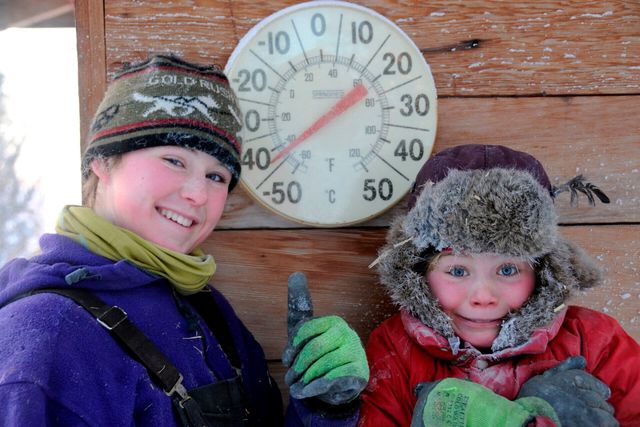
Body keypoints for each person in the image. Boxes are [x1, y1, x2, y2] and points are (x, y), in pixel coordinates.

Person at [0, 55, 368, 426]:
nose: (197, 194)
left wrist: (325, 407)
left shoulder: (209, 311)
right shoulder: (48, 335)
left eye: (217, 176)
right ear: (104, 161)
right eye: (174, 160)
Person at [358, 144, 640, 426]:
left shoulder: (596, 342)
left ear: (543, 271)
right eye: (458, 270)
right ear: (419, 273)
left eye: (507, 269)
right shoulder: (395, 349)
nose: (483, 296)